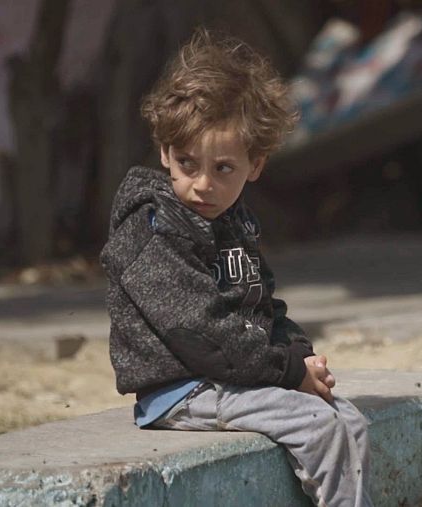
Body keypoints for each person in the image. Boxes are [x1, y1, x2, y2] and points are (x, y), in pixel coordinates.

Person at [100, 30, 371, 507]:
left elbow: (262, 303)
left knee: (349, 419)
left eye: (223, 168)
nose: (202, 184)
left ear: (256, 165)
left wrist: (299, 353)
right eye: (187, 163)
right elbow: (200, 332)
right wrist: (287, 371)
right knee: (317, 426)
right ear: (165, 153)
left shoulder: (230, 223)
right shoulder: (153, 229)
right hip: (184, 390)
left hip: (231, 375)